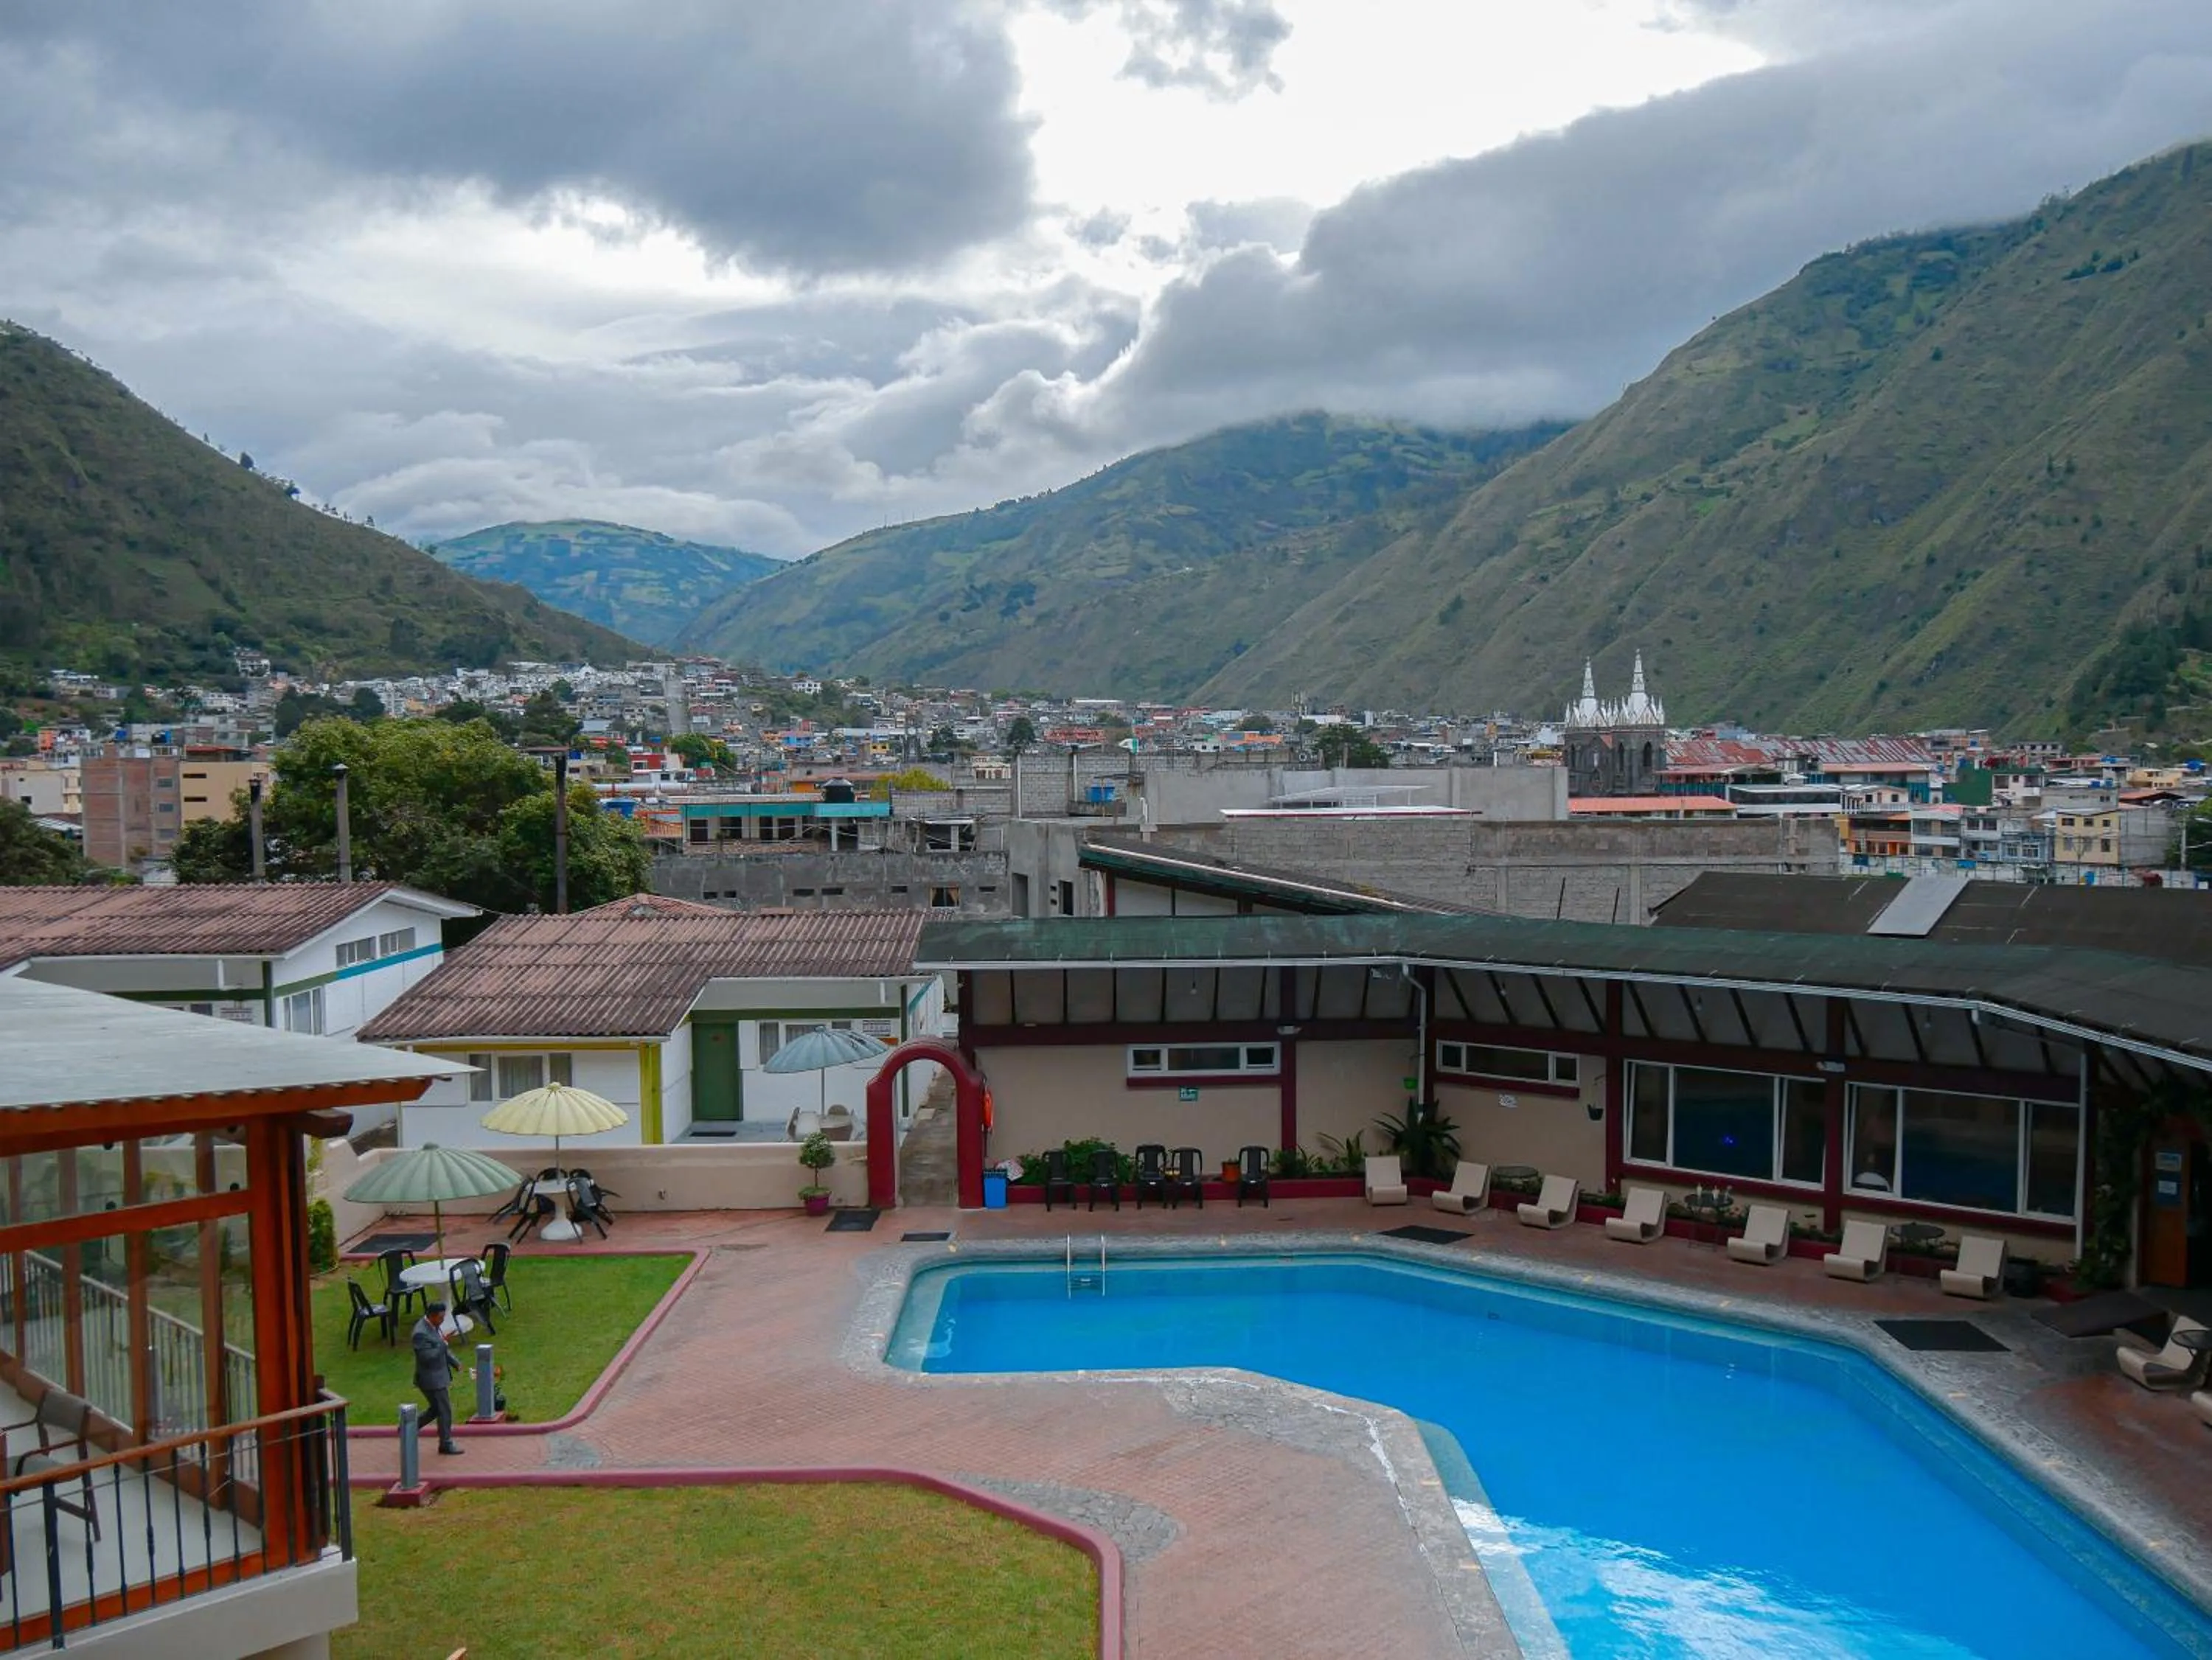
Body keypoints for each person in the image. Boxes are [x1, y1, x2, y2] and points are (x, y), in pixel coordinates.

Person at [411, 1298, 463, 1456]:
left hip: (438, 1377)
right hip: (431, 1379)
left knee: (436, 1410)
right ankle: (445, 1444)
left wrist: (455, 1362)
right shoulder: (420, 1333)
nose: (442, 1321)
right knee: (445, 1410)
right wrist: (442, 1343)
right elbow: (428, 1358)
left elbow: (442, 1348)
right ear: (432, 1316)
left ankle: (409, 1428)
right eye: (440, 1317)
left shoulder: (434, 1326)